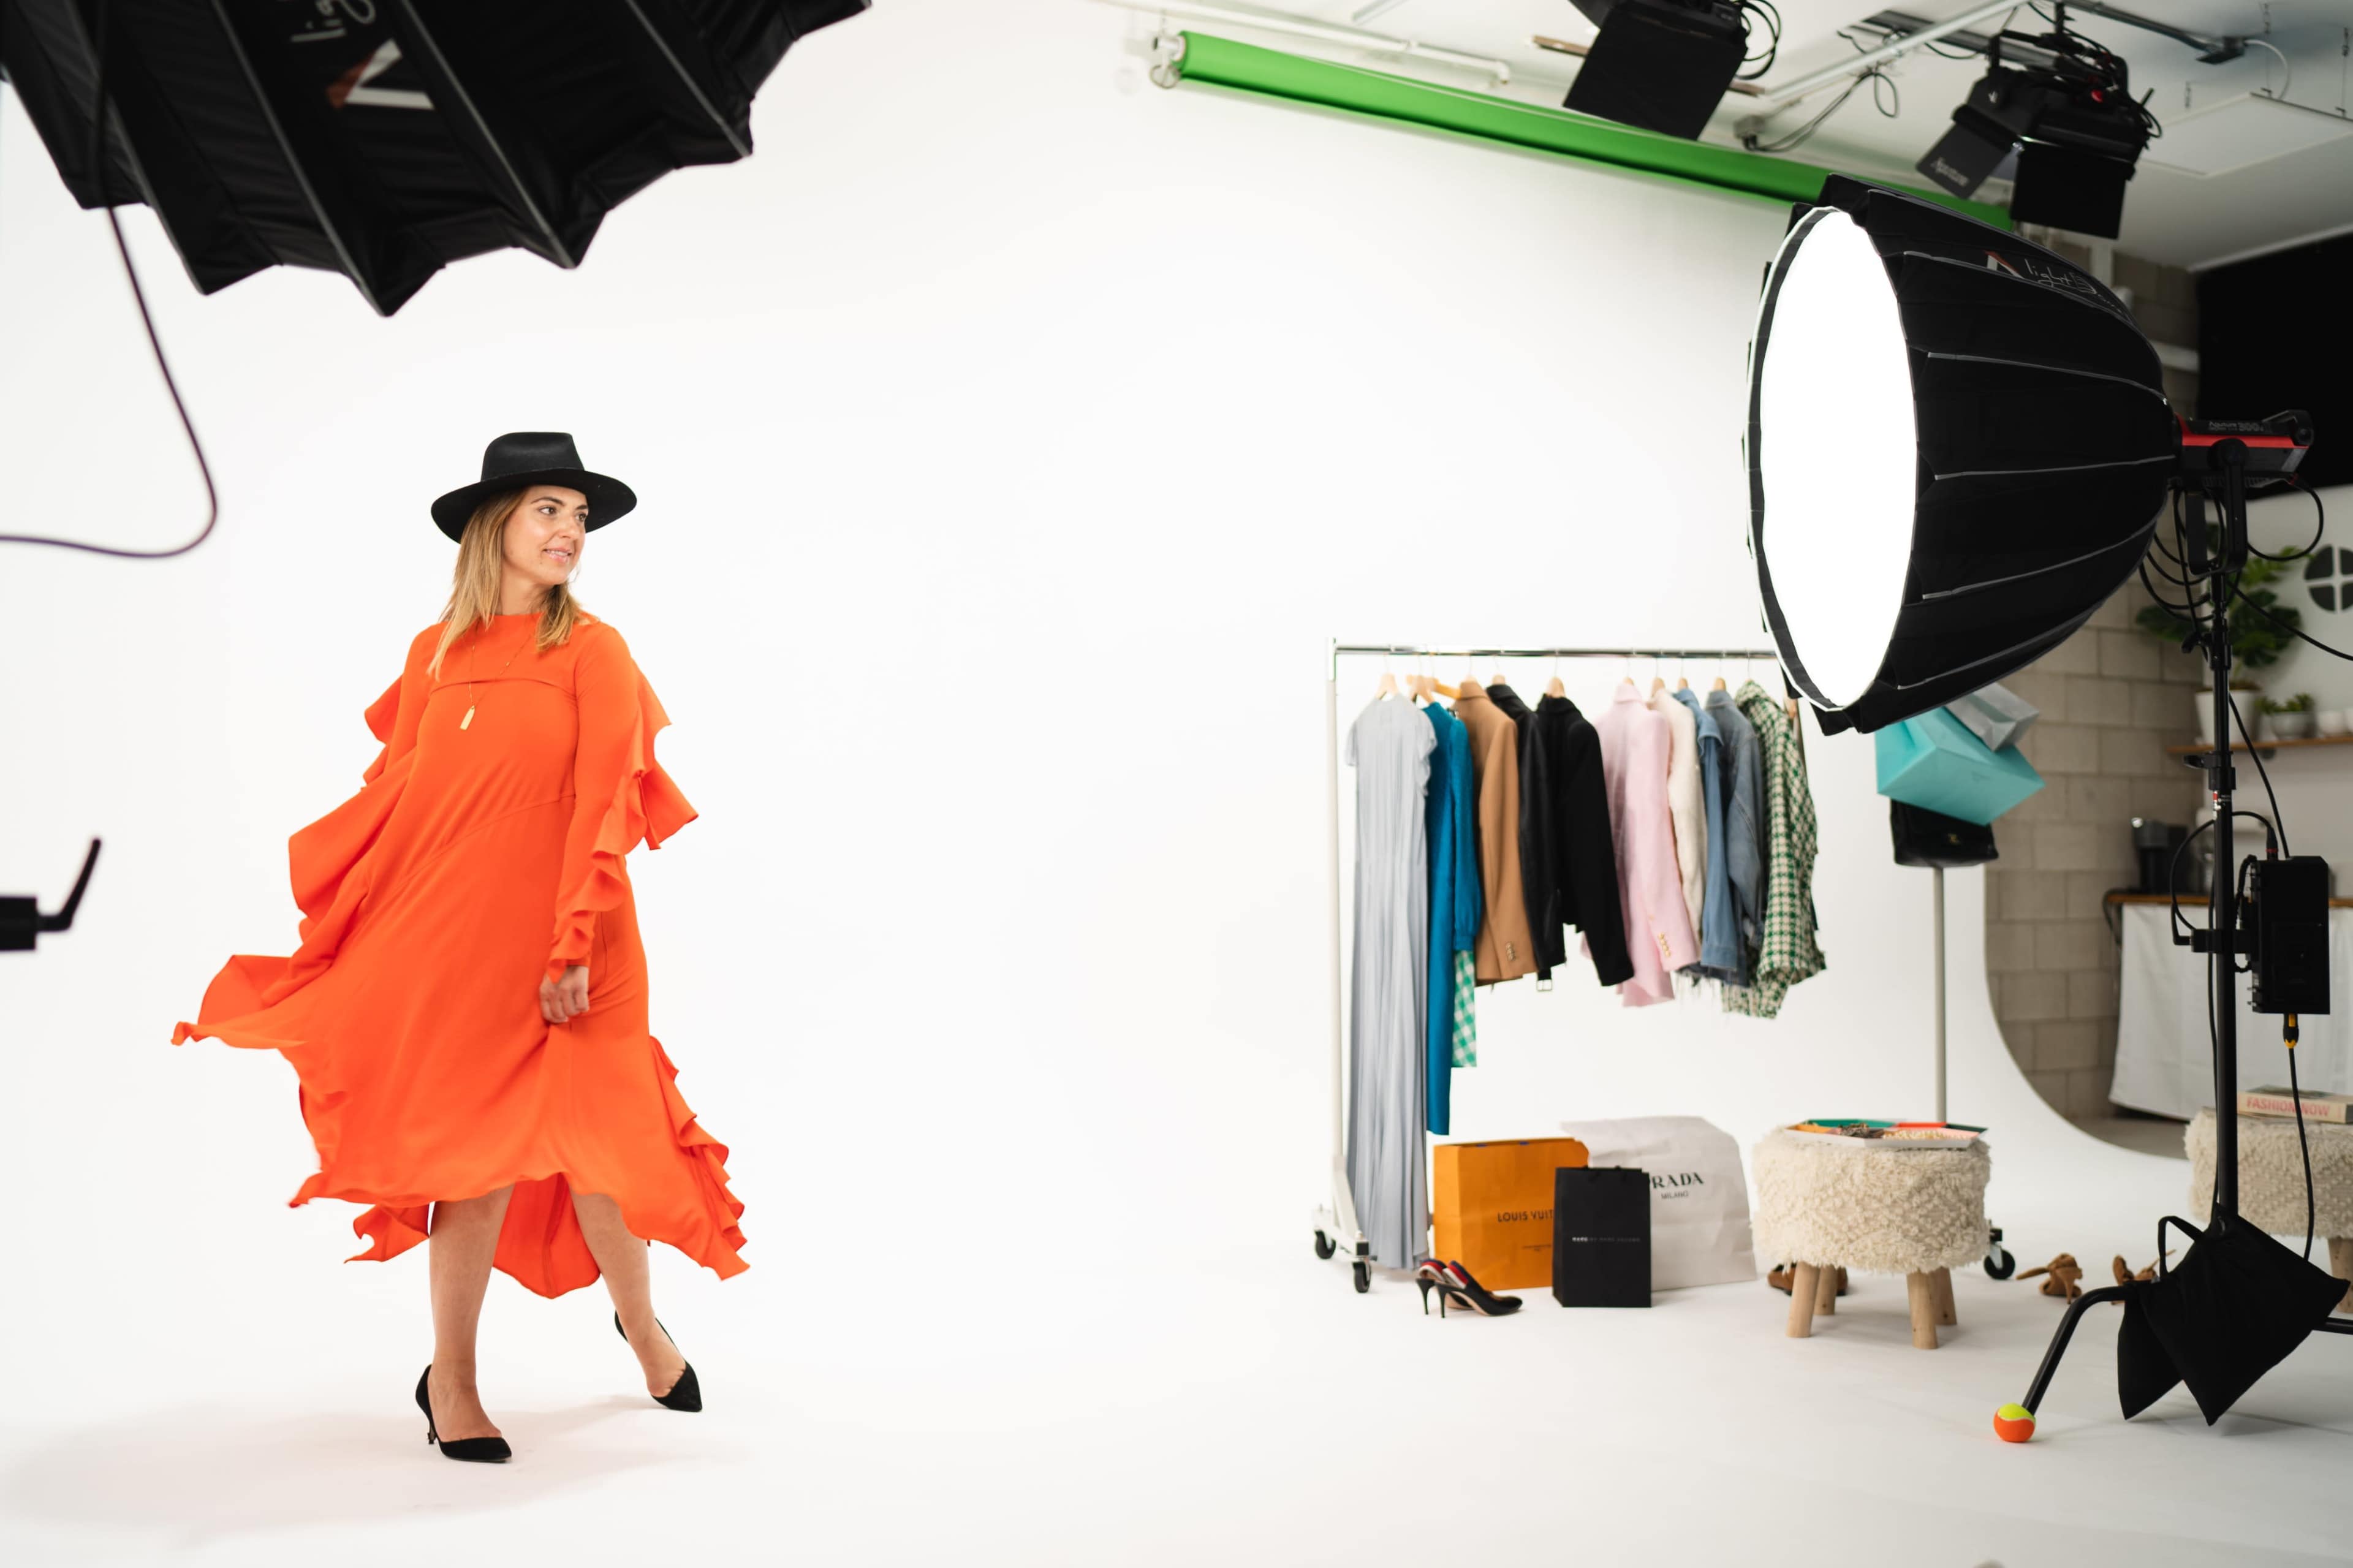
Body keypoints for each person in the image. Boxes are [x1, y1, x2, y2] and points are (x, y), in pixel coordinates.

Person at [173, 433, 746, 1464]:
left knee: (603, 1156)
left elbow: (605, 800)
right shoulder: (433, 655)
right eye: (548, 510)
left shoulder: (593, 651)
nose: (570, 530)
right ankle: (456, 1382)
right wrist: (358, 927)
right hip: (465, 942)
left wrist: (572, 941)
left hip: (584, 941)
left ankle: (646, 1328)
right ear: (497, 525)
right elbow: (400, 802)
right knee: (473, 1161)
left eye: (579, 514)